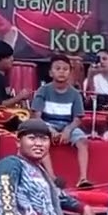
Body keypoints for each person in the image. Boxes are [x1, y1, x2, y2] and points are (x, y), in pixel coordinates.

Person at [30, 54, 92, 188]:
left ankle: (83, 178)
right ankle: (52, 177)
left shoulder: (75, 94)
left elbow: (78, 118)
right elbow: (36, 116)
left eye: (65, 69)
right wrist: (49, 129)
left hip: (68, 125)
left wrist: (68, 130)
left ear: (70, 72)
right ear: (51, 72)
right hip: (46, 124)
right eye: (58, 69)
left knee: (82, 141)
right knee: (41, 139)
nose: (62, 72)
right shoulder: (43, 90)